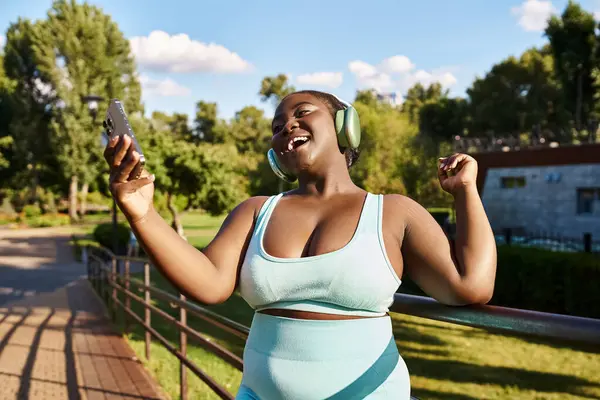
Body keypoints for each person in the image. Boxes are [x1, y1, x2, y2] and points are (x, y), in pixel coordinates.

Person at [103, 90, 497, 399]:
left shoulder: (393, 212)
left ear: (346, 127)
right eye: (277, 126)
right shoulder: (255, 211)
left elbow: (470, 284)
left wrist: (465, 191)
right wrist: (142, 213)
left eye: (302, 113)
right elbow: (208, 284)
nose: (286, 126)